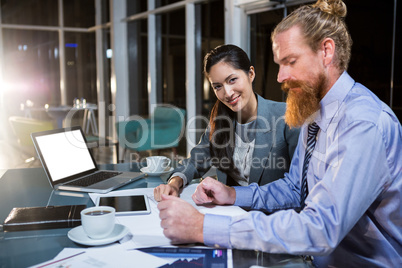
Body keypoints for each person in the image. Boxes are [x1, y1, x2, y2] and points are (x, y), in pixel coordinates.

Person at [157, 0, 402, 267]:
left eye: (291, 62)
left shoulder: (363, 124)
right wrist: (233, 195)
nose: (280, 76)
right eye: (279, 64)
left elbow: (321, 229)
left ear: (326, 52)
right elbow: (295, 189)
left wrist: (205, 227)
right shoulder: (313, 113)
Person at [154, 44, 300, 201]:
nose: (228, 93)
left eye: (232, 80)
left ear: (251, 74)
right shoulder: (220, 120)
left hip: (272, 218)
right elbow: (197, 159)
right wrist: (175, 183)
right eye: (218, 87)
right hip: (230, 214)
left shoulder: (287, 116)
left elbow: (296, 188)